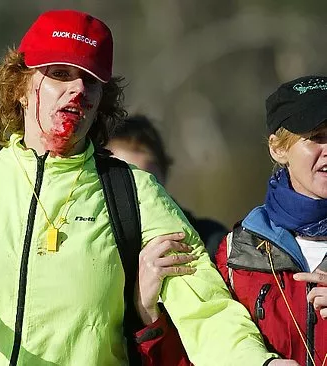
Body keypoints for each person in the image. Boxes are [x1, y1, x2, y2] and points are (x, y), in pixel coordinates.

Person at [0, 9, 293, 365]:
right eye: (59, 74)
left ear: (102, 98)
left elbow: (206, 306)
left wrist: (258, 362)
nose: (77, 89)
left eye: (90, 80)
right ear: (21, 87)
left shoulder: (135, 191)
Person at [136, 75, 327, 366]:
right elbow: (197, 355)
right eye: (317, 137)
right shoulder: (236, 251)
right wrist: (149, 314)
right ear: (278, 148)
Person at [106, 114, 228, 260]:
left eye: (149, 182)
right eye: (124, 183)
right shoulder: (89, 243)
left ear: (164, 176)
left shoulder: (211, 242)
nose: (139, 194)